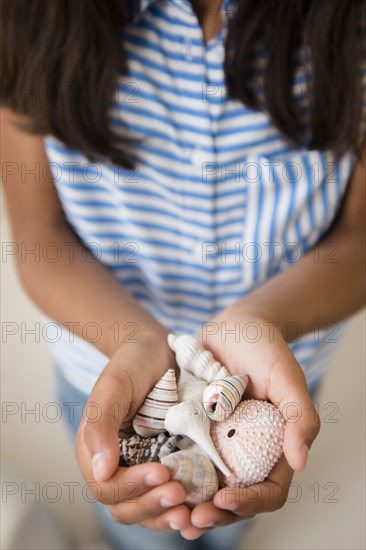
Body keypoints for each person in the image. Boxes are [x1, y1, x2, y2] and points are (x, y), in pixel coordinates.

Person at [1, 0, 365, 548]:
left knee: (233, 517)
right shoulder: (29, 18)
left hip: (276, 377)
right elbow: (38, 234)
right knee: (142, 529)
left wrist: (260, 319)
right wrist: (134, 340)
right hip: (107, 372)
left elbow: (360, 233)